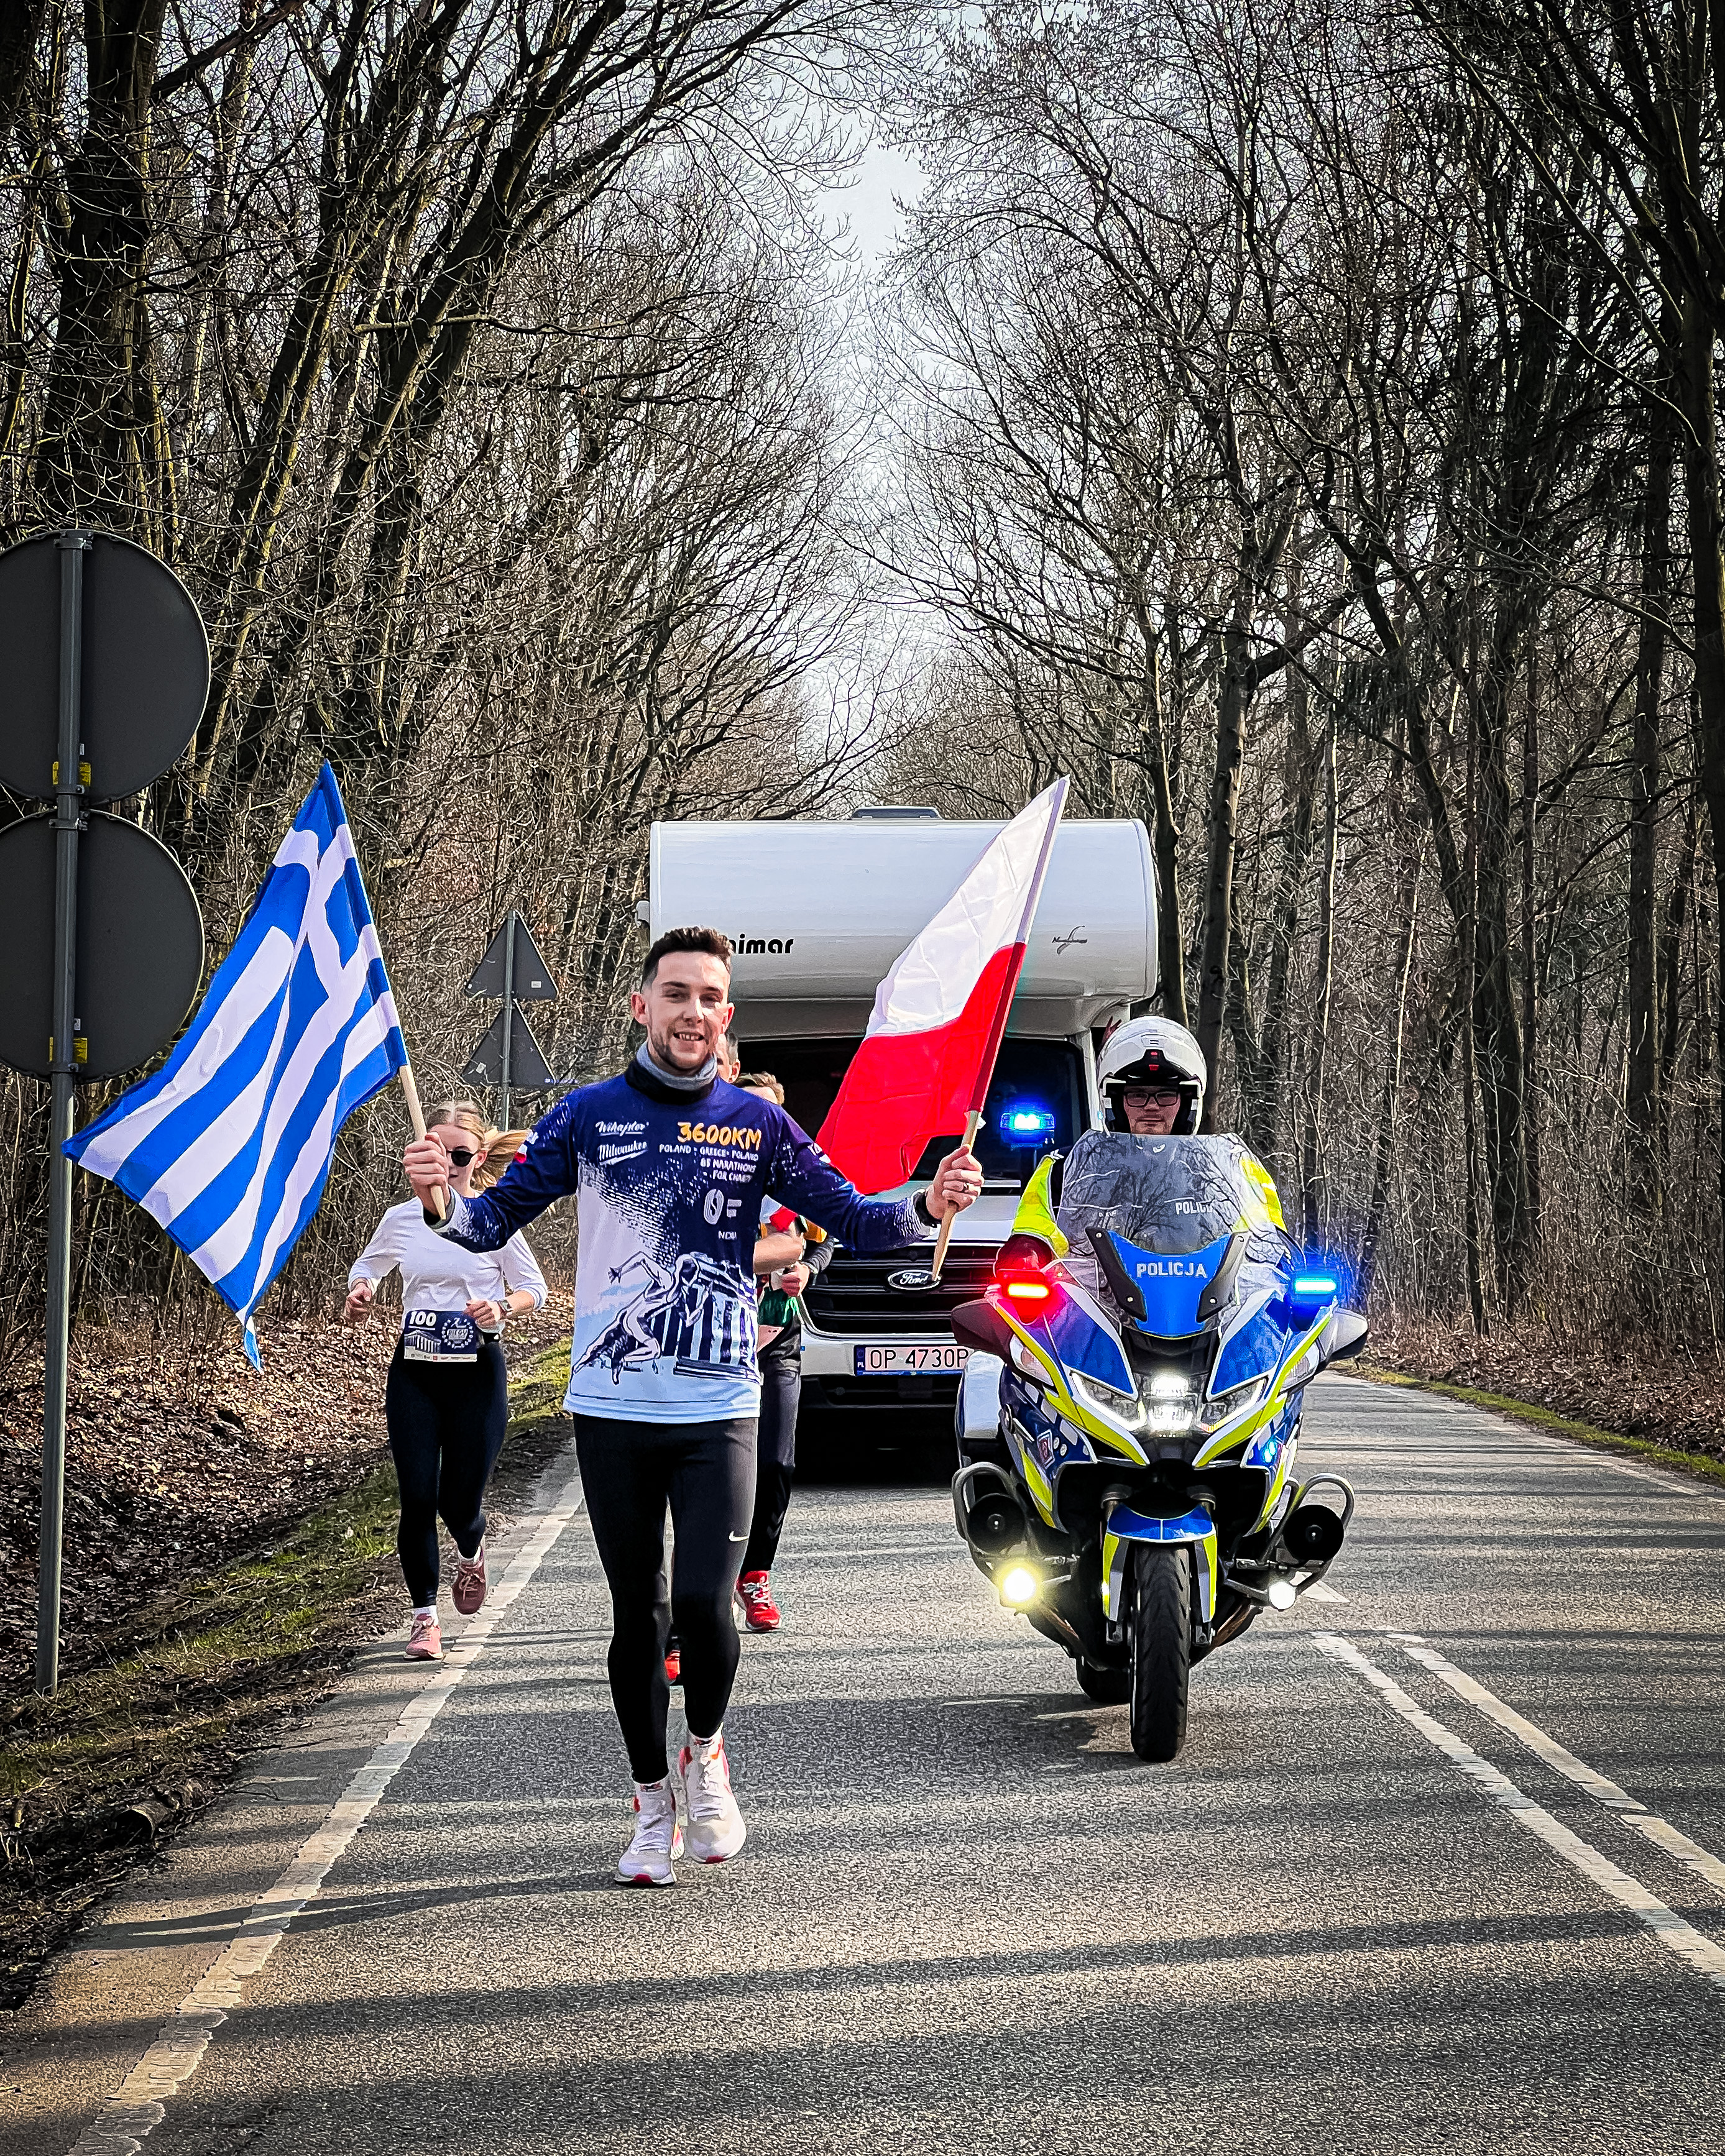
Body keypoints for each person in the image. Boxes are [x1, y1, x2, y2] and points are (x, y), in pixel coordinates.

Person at [402, 927, 981, 1886]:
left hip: (720, 1400)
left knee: (707, 1607)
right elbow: (487, 1224)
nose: (692, 1013)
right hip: (614, 1403)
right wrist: (437, 1202)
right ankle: (646, 1804)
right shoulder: (588, 1114)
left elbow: (858, 1217)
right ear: (642, 1006)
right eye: (675, 994)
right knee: (640, 1613)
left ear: (726, 1017)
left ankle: (704, 1753)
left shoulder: (756, 1127)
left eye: (708, 997)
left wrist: (928, 1203)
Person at [346, 1102, 546, 1662]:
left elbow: (536, 1288)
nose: (450, 1165)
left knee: (460, 1503)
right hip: (414, 1371)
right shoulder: (400, 1219)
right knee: (417, 1496)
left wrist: (503, 1306)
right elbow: (368, 1267)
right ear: (422, 1155)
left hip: (477, 1372)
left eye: (461, 1156)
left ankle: (472, 1545)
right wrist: (360, 1292)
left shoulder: (490, 1216)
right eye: (439, 1153)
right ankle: (423, 1617)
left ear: (476, 1158)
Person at [999, 1016, 1286, 1269]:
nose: (1151, 1107)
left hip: (1207, 1311)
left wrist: (1283, 1258)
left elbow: (1264, 1236)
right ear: (1116, 1103)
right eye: (1136, 1095)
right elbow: (1035, 1228)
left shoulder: (1227, 1171)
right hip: (1097, 1312)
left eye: (1166, 1095)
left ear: (1187, 1103)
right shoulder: (1065, 1168)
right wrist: (1028, 1249)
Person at [732, 1073, 822, 1634]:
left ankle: (755, 1572)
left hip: (779, 1342)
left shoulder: (796, 1175)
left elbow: (829, 1232)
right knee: (716, 1476)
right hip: (719, 1347)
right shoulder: (715, 1169)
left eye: (770, 1112)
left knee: (776, 1463)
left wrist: (807, 1267)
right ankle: (702, 1590)